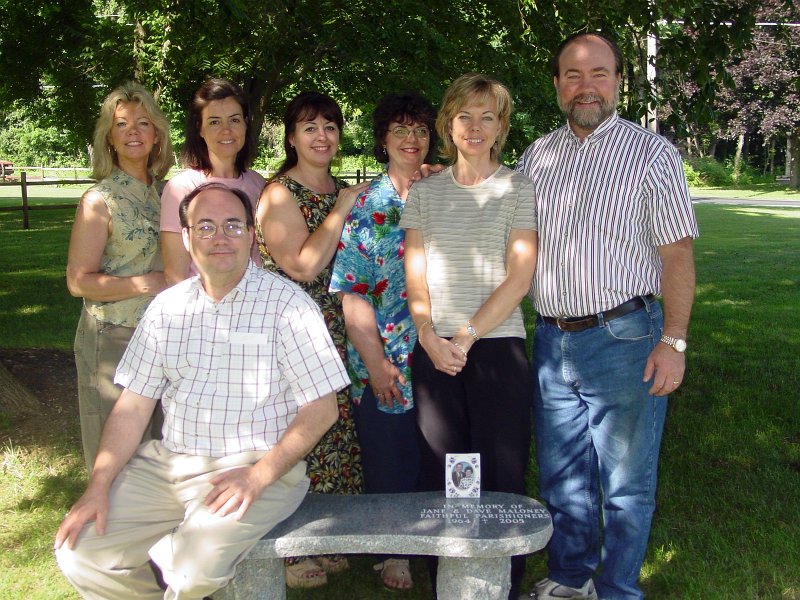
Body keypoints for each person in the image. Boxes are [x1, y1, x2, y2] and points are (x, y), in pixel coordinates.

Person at [54, 182, 348, 599]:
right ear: (187, 238)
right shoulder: (166, 308)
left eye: (232, 225)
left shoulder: (289, 306)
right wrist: (97, 485)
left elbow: (322, 410)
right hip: (168, 465)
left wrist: (257, 477)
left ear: (251, 235)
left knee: (191, 571)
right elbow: (133, 407)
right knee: (80, 549)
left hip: (256, 466)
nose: (220, 237)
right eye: (205, 227)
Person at [516, 33, 698, 600]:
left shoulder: (653, 154)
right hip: (551, 340)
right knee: (563, 479)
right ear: (556, 85)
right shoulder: (536, 156)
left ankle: (618, 589)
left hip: (626, 337)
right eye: (572, 75)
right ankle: (571, 578)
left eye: (598, 73)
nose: (585, 86)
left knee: (625, 483)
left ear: (619, 80)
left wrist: (675, 340)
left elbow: (677, 254)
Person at [400, 72, 538, 600]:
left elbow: (520, 276)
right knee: (445, 470)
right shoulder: (426, 193)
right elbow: (415, 272)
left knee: (500, 471)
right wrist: (430, 336)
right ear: (448, 123)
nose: (475, 127)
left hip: (496, 348)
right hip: (434, 352)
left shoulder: (517, 187)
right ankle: (452, 583)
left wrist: (467, 335)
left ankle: (501, 584)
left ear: (501, 126)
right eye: (465, 116)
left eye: (487, 116)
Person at [256, 90, 368, 588]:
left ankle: (326, 535)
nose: (322, 136)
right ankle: (288, 547)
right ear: (291, 137)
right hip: (297, 331)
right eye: (310, 127)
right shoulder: (280, 193)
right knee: (298, 436)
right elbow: (301, 266)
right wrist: (341, 209)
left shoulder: (344, 189)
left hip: (342, 329)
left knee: (337, 435)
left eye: (330, 126)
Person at [329, 92, 438, 591]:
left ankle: (441, 539)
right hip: (384, 348)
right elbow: (353, 295)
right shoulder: (367, 205)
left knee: (436, 447)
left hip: (440, 346)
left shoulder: (444, 191)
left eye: (419, 129)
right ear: (382, 140)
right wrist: (374, 363)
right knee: (389, 450)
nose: (411, 139)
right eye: (400, 129)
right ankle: (393, 551)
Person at [66, 82, 174, 470]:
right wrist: (148, 282)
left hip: (164, 335)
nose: (133, 132)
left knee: (162, 444)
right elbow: (78, 281)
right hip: (114, 335)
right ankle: (106, 527)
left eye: (143, 123)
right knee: (116, 452)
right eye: (122, 124)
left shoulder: (170, 194)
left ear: (157, 135)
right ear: (109, 138)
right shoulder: (99, 200)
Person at [160, 78, 265, 285]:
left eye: (234, 120)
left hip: (256, 307)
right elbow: (176, 277)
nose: (226, 130)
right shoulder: (181, 189)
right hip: (204, 310)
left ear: (246, 124)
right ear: (199, 129)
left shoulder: (259, 185)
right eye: (214, 122)